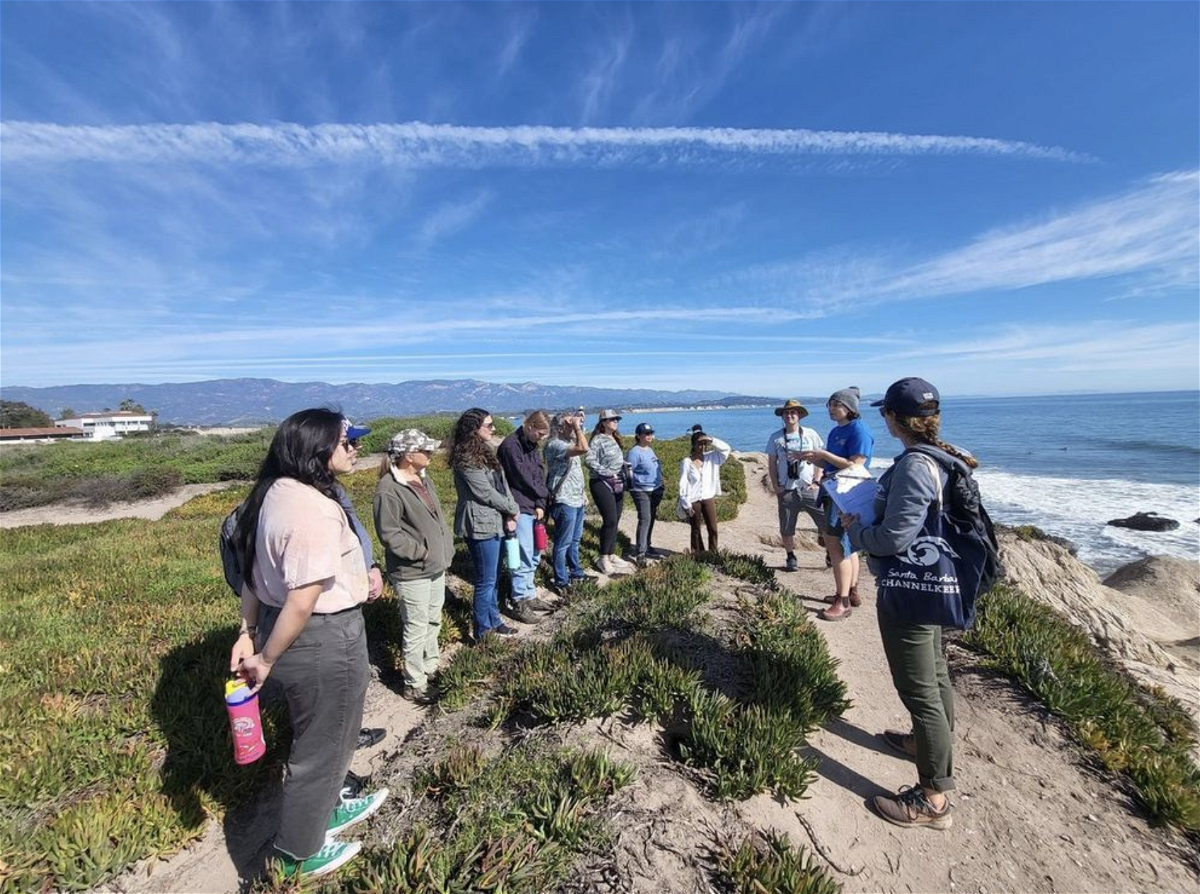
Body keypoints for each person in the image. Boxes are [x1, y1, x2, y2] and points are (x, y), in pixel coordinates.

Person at [229, 410, 389, 880]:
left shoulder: (272, 494)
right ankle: (297, 852)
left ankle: (321, 816)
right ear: (317, 450)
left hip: (295, 632)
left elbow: (252, 579)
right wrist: (265, 658)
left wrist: (246, 632)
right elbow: (302, 601)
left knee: (321, 736)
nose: (356, 449)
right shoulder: (312, 509)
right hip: (322, 636)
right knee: (324, 745)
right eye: (347, 442)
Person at [843, 377, 966, 831]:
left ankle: (933, 798)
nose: (882, 418)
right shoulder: (943, 455)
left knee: (920, 689)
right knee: (934, 675)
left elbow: (894, 537)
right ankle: (925, 743)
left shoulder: (916, 464)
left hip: (911, 587)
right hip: (932, 583)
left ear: (895, 417)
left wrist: (857, 531)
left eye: (885, 412)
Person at [373, 429, 454, 704]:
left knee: (433, 618)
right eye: (426, 450)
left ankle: (430, 667)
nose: (431, 453)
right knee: (416, 626)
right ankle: (414, 683)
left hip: (433, 566)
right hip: (412, 571)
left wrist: (442, 549)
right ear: (409, 455)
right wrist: (420, 552)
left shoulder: (422, 478)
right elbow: (389, 533)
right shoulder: (389, 488)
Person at [799, 386, 874, 621]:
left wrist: (824, 455)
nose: (832, 409)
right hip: (833, 491)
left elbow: (855, 464)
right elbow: (832, 461)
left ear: (850, 408)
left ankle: (843, 603)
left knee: (837, 546)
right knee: (846, 545)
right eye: (830, 404)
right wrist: (818, 458)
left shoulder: (858, 431)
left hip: (847, 492)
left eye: (836, 404)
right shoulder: (836, 432)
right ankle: (850, 593)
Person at [449, 408, 520, 642]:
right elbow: (484, 492)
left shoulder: (485, 450)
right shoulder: (465, 457)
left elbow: (502, 483)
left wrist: (511, 508)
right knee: (485, 580)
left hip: (495, 520)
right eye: (488, 425)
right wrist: (511, 508)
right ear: (473, 429)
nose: (493, 429)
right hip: (479, 523)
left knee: (494, 576)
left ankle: (494, 620)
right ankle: (482, 632)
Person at [497, 410, 554, 624]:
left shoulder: (532, 445)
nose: (540, 438)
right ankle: (519, 598)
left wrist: (541, 502)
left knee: (536, 551)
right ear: (529, 426)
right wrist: (544, 495)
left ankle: (529, 594)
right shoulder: (510, 446)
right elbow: (523, 479)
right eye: (539, 434)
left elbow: (539, 474)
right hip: (519, 506)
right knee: (522, 553)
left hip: (534, 505)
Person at [765, 399, 825, 572]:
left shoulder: (810, 434)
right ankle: (791, 556)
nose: (789, 415)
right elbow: (772, 464)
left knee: (824, 523)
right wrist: (777, 486)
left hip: (808, 487)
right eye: (786, 413)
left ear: (799, 415)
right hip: (787, 489)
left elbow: (819, 459)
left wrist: (816, 481)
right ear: (783, 416)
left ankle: (830, 552)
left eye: (793, 412)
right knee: (787, 525)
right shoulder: (776, 437)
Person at [544, 409, 593, 593]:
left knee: (575, 540)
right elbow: (584, 448)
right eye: (568, 424)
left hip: (577, 499)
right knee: (563, 542)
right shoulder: (555, 444)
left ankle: (576, 573)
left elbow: (575, 473)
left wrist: (583, 493)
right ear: (559, 427)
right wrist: (576, 427)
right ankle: (561, 581)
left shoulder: (568, 441)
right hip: (563, 499)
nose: (573, 426)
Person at [585, 409, 634, 576]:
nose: (615, 422)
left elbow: (616, 460)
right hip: (601, 482)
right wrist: (605, 472)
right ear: (603, 422)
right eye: (612, 419)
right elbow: (589, 460)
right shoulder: (598, 440)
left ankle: (611, 553)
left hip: (618, 482)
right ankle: (603, 557)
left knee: (616, 518)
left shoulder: (615, 438)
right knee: (610, 519)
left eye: (616, 419)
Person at [678, 429, 731, 554]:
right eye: (699, 443)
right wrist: (686, 503)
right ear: (693, 444)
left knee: (712, 528)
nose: (702, 447)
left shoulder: (712, 457)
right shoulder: (686, 462)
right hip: (693, 499)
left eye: (704, 444)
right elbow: (683, 483)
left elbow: (726, 449)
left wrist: (712, 440)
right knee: (695, 529)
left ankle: (713, 553)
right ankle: (697, 554)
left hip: (708, 497)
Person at [627, 422, 665, 563]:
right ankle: (641, 552)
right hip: (641, 491)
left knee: (651, 518)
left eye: (651, 433)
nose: (650, 436)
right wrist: (634, 488)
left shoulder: (649, 450)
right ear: (639, 436)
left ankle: (647, 546)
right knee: (645, 519)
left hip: (654, 490)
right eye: (646, 434)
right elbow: (628, 473)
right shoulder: (634, 453)